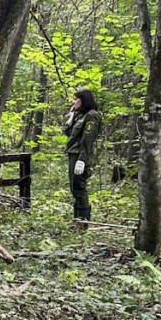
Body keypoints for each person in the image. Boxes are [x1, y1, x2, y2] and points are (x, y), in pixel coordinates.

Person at [63, 89, 102, 223]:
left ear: (83, 100)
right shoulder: (80, 116)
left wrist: (82, 160)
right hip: (73, 153)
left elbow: (88, 140)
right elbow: (70, 134)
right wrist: (71, 118)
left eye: (76, 99)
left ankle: (83, 221)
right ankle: (77, 220)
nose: (74, 102)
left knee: (79, 187)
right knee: (74, 187)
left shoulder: (92, 116)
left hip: (81, 155)